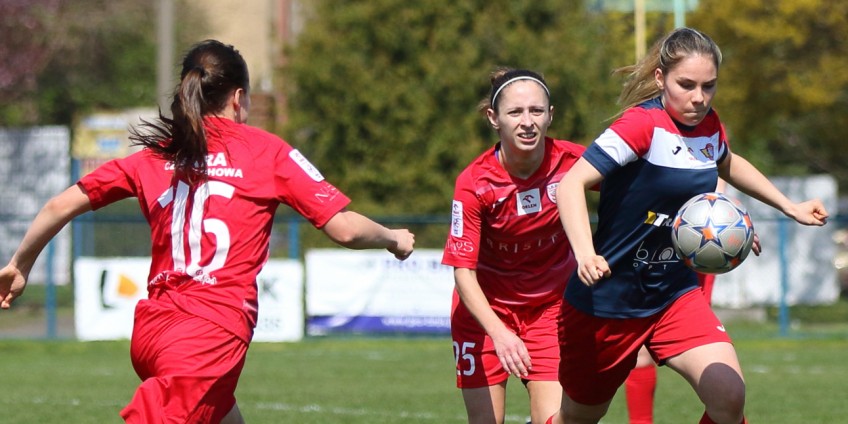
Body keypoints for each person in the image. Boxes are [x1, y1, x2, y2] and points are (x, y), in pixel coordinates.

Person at [0, 39, 415, 424]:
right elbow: (344, 229)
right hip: (209, 335)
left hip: (152, 333)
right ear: (238, 98)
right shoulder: (266, 151)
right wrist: (393, 238)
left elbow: (58, 205)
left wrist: (20, 264)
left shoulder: (157, 155)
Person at [547, 27, 828, 424]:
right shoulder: (640, 125)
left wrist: (787, 206)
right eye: (687, 85)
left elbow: (727, 162)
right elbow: (571, 184)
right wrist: (585, 254)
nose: (699, 97)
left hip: (673, 294)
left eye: (709, 86)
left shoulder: (709, 125)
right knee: (578, 417)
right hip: (608, 302)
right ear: (660, 78)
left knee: (729, 398)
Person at [441, 68, 586, 424]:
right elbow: (463, 273)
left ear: (550, 115)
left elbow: (635, 178)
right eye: (515, 112)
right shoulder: (474, 183)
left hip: (550, 311)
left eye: (536, 111)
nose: (527, 122)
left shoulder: (574, 162)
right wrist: (499, 333)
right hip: (483, 315)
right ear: (494, 118)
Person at [625, 178, 727, 424]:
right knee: (640, 352)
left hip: (693, 257)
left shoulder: (710, 153)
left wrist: (729, 224)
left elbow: (717, 189)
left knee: (724, 386)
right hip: (648, 252)